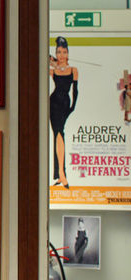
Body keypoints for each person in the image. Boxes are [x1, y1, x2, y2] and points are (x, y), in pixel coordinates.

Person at [49, 36, 78, 188]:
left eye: (64, 52)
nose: (61, 55)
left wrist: (72, 107)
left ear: (68, 53)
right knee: (58, 134)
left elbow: (75, 91)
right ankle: (61, 174)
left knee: (60, 134)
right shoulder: (53, 71)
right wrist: (53, 62)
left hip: (65, 104)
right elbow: (40, 61)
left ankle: (61, 173)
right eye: (58, 52)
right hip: (53, 103)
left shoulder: (73, 70)